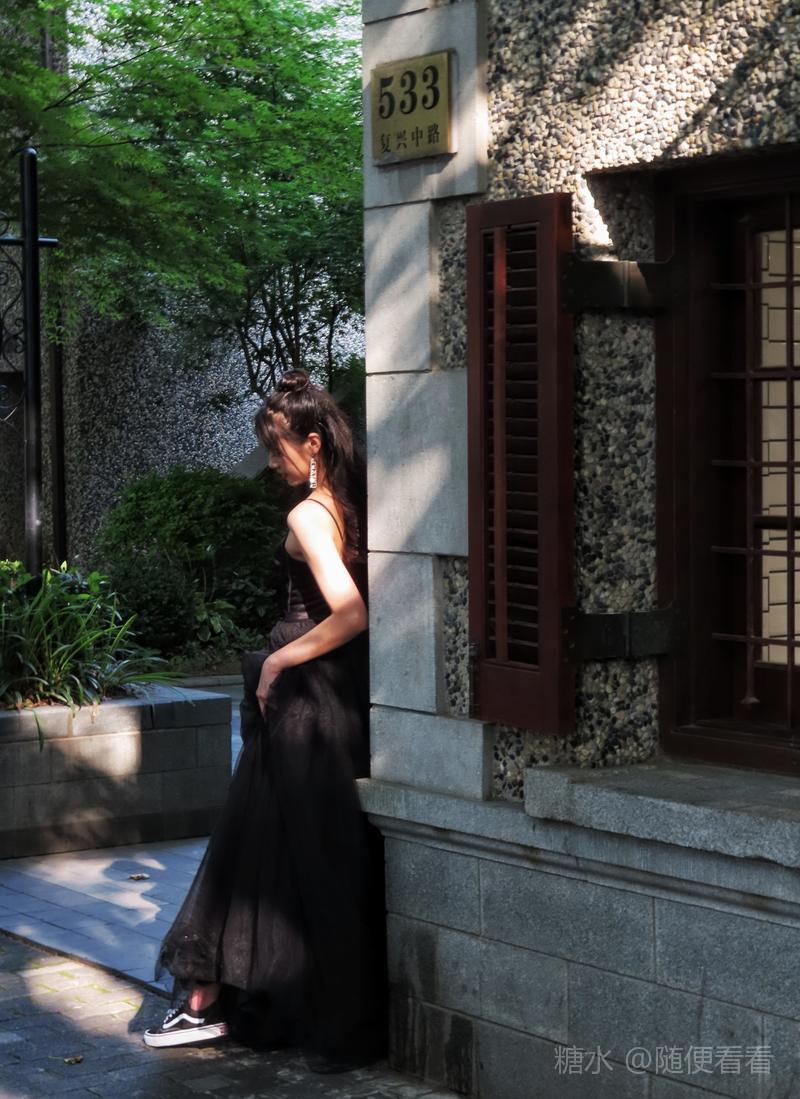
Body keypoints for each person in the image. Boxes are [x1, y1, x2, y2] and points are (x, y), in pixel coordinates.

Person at [143, 370, 388, 1073]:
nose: (270, 461)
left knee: (257, 843)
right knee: (296, 849)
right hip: (337, 694)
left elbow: (351, 612)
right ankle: (226, 993)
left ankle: (206, 996)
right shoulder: (349, 503)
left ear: (311, 444)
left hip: (305, 696)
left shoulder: (309, 514)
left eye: (277, 447)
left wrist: (279, 663)